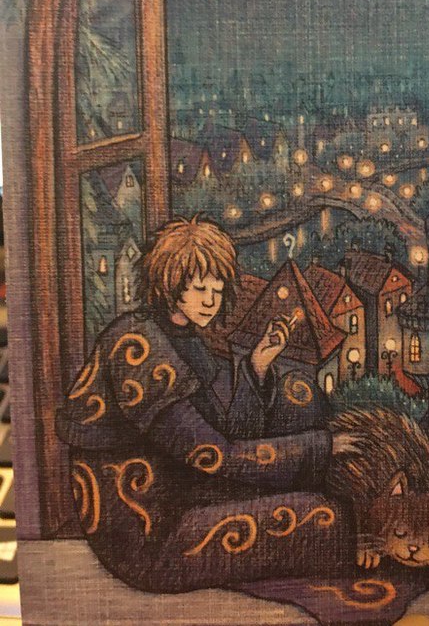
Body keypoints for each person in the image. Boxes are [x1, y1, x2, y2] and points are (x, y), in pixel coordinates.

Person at [56, 215, 356, 592]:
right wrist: (319, 447)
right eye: (200, 289)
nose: (211, 301)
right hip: (150, 538)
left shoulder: (187, 340)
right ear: (170, 285)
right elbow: (217, 456)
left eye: (217, 289)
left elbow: (233, 433)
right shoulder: (138, 348)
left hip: (187, 494)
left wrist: (257, 365)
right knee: (325, 517)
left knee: (311, 492)